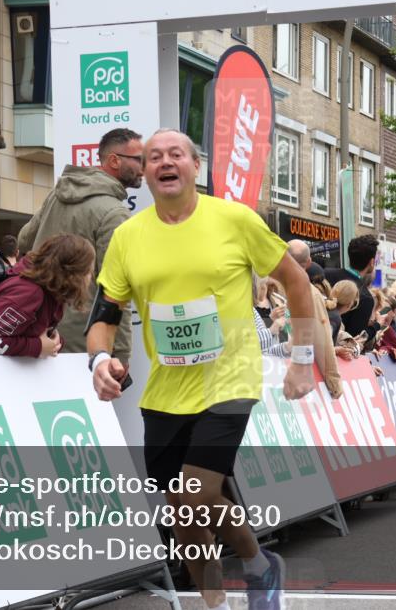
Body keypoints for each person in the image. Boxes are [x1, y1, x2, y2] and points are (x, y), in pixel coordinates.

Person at [87, 129, 313, 610]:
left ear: (195, 166)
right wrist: (99, 358)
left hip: (229, 378)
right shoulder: (129, 236)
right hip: (166, 390)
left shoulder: (233, 219)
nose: (165, 163)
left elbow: (294, 280)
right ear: (144, 172)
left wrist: (303, 360)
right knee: (181, 512)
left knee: (199, 491)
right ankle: (228, 591)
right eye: (154, 157)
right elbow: (103, 315)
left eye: (176, 155)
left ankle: (253, 567)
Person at [18, 128, 143, 364]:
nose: (144, 167)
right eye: (139, 159)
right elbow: (117, 290)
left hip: (37, 328)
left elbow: (24, 239)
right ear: (114, 160)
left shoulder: (57, 195)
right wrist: (122, 353)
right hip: (83, 344)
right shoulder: (115, 213)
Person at [0, 234, 94, 358]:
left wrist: (53, 343)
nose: (91, 276)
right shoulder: (29, 293)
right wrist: (38, 347)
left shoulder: (49, 291)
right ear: (73, 273)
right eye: (88, 271)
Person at [325, 234, 380, 350]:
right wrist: (376, 326)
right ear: (371, 262)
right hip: (338, 357)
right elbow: (354, 341)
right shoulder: (365, 297)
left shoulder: (325, 274)